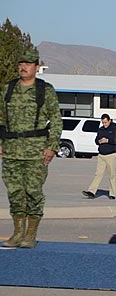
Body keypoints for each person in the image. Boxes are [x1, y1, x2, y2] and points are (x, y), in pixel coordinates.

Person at [0, 50, 62, 248]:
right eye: (21, 63)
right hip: (11, 151)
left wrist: (52, 147)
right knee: (15, 192)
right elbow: (1, 118)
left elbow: (56, 120)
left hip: (36, 151)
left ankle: (31, 233)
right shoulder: (8, 89)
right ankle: (18, 232)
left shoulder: (45, 90)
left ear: (36, 67)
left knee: (33, 192)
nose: (23, 67)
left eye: (28, 63)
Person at [83, 113, 116, 199]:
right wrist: (99, 141)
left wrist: (108, 140)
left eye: (106, 122)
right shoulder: (100, 129)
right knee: (98, 174)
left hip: (111, 155)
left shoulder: (115, 128)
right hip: (101, 155)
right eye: (103, 122)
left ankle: (112, 193)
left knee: (112, 175)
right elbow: (96, 140)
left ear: (109, 120)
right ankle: (91, 191)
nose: (104, 124)